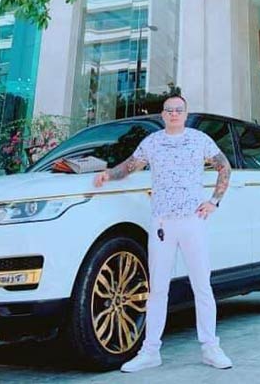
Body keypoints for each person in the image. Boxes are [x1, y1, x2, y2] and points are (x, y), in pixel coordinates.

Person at [93, 94, 233, 373]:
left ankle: (210, 347)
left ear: (186, 114)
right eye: (169, 110)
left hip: (192, 221)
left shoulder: (199, 140)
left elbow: (224, 166)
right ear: (163, 114)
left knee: (202, 285)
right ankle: (150, 351)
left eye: (179, 110)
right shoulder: (152, 142)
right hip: (162, 224)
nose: (174, 114)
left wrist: (214, 201)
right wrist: (108, 174)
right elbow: (130, 166)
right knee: (157, 289)